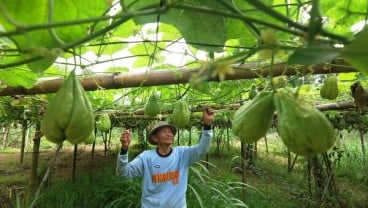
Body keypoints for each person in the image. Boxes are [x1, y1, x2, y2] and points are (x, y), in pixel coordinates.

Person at [116, 107, 215, 208]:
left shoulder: (183, 154)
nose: (169, 134)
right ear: (155, 138)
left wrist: (207, 125)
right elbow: (123, 173)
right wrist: (124, 149)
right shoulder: (146, 157)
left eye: (170, 132)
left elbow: (202, 150)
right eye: (164, 131)